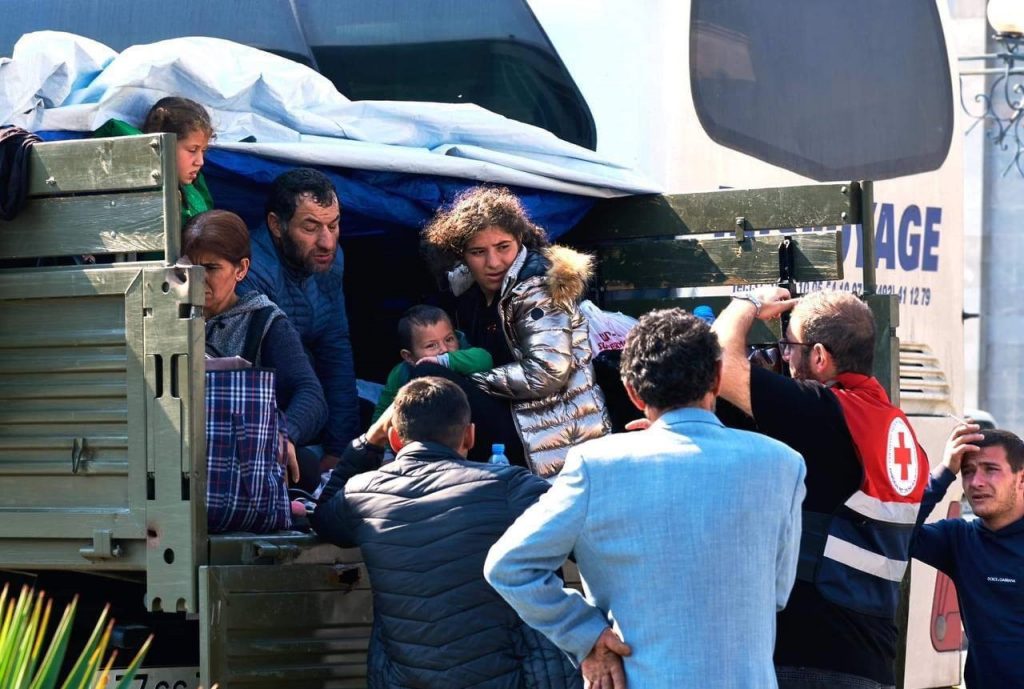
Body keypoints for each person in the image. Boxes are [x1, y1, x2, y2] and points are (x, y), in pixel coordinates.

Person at [484, 308, 806, 689]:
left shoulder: (596, 465)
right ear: (718, 379)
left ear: (632, 392)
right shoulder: (782, 463)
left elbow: (509, 567)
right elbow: (776, 592)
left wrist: (586, 636)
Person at [712, 288, 930, 689]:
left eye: (788, 346)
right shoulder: (897, 427)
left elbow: (719, 364)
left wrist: (747, 303)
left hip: (811, 656)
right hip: (874, 658)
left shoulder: (829, 414)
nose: (784, 357)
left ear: (819, 357)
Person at [310, 377, 580, 689]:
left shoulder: (361, 494)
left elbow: (323, 517)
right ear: (470, 435)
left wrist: (369, 443)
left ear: (395, 439)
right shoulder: (512, 487)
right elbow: (592, 543)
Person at [421, 186, 609, 476]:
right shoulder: (468, 295)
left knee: (430, 380)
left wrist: (471, 381)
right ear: (461, 254)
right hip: (514, 416)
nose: (493, 262)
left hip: (548, 429)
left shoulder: (536, 288)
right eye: (478, 252)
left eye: (503, 247)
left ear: (520, 240)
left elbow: (547, 372)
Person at [183, 209, 327, 482]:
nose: (198, 279)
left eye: (211, 268)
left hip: (240, 460)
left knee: (302, 467)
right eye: (190, 268)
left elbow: (311, 394)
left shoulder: (265, 321)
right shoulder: (169, 319)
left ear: (241, 269)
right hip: (178, 453)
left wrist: (283, 434)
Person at [238, 168, 359, 482]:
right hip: (265, 411)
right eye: (311, 227)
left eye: (334, 225)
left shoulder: (332, 262)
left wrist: (339, 450)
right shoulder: (254, 271)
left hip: (304, 410)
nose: (327, 241)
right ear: (277, 225)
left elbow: (337, 351)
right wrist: (284, 435)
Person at [911, 423, 1024, 689]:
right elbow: (895, 535)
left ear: (1021, 479)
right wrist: (944, 472)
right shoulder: (958, 539)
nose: (976, 482)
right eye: (967, 472)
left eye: (991, 469)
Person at [95, 96, 214, 228]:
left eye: (203, 151)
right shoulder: (136, 182)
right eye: (192, 150)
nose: (200, 161)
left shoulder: (194, 187)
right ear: (162, 144)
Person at [370, 304, 493, 423]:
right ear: (408, 356)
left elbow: (485, 360)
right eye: (431, 345)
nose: (444, 349)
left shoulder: (463, 353)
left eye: (449, 339)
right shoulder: (401, 373)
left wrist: (443, 361)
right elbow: (383, 414)